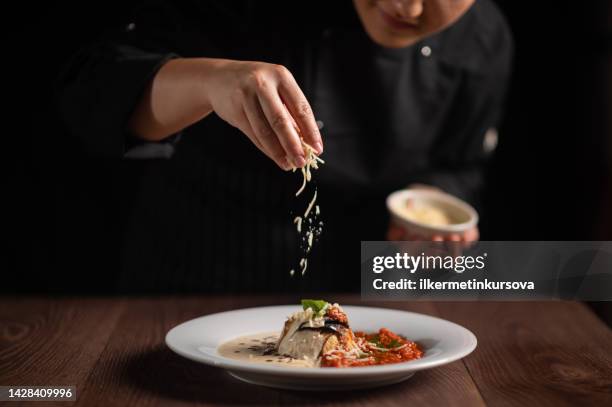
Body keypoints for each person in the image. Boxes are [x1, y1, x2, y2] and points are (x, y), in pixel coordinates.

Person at [58, 0, 513, 293]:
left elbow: (463, 166)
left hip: (362, 304)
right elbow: (91, 94)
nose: (406, 6)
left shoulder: (484, 39)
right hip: (192, 285)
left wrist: (431, 215)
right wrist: (207, 80)